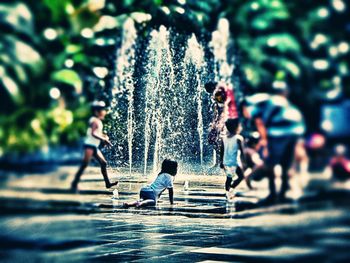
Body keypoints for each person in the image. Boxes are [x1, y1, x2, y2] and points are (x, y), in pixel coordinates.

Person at [246, 83, 305, 203]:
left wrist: (264, 140)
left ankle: (273, 194)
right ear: (284, 92)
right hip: (294, 133)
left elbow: (260, 122)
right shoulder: (286, 103)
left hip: (277, 134)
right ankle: (282, 193)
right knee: (286, 165)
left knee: (271, 164)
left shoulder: (269, 102)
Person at [71, 101, 118, 191]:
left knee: (103, 163)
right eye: (102, 110)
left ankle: (107, 183)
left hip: (93, 146)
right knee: (84, 165)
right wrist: (103, 139)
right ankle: (74, 183)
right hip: (89, 146)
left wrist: (104, 136)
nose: (104, 112)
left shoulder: (97, 121)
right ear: (96, 112)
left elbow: (96, 133)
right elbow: (93, 133)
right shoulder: (94, 121)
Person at [220, 118, 246, 201]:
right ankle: (231, 189)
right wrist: (244, 161)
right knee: (241, 176)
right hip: (234, 162)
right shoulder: (238, 138)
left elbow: (222, 151)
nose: (240, 127)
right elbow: (242, 151)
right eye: (239, 126)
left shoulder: (224, 138)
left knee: (228, 178)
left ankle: (227, 192)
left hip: (226, 162)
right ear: (236, 127)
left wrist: (221, 161)